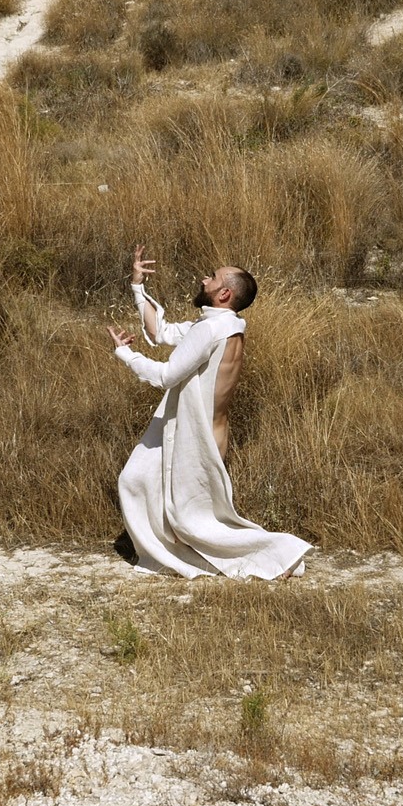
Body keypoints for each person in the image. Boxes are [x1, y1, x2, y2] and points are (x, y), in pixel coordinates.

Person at [107, 245, 311, 579]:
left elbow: (166, 376)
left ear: (224, 293)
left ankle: (277, 555)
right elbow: (162, 333)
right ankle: (171, 554)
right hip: (196, 429)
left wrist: (125, 355)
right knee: (140, 481)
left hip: (194, 434)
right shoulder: (226, 324)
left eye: (212, 278)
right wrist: (137, 287)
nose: (204, 279)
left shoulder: (210, 329)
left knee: (194, 519)